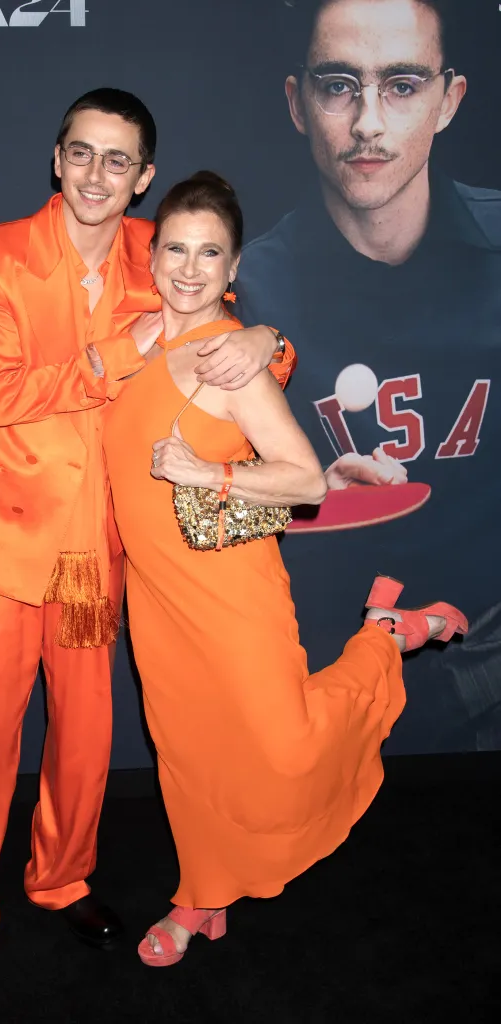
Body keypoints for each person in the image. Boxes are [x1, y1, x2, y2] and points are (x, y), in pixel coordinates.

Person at [0, 88, 292, 1014]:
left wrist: (260, 337)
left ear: (144, 177)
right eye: (81, 154)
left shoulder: (155, 250)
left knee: (85, 738)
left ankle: (60, 879)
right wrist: (118, 353)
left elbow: (234, 347)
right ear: (56, 159)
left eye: (117, 161)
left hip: (95, 548)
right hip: (0, 542)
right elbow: (2, 395)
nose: (97, 175)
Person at [100, 170, 467, 965]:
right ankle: (200, 899)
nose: (189, 267)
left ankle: (382, 638)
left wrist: (208, 473)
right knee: (192, 759)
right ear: (151, 253)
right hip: (156, 595)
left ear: (233, 270)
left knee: (285, 748)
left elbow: (302, 477)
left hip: (231, 588)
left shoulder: (232, 362)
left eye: (210, 253)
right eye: (175, 248)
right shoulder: (129, 346)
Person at [234, 0, 501, 752]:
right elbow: (194, 514)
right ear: (297, 102)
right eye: (339, 85)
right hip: (318, 681)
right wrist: (301, 502)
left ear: (448, 100)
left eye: (402, 84)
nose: (368, 124)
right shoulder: (244, 291)